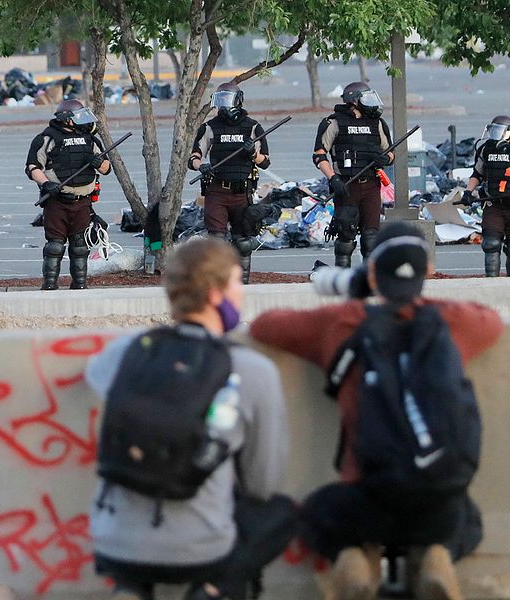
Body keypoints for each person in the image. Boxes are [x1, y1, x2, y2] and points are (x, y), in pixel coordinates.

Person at [250, 222, 504, 600]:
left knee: (319, 511)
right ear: (429, 271)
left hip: (367, 498)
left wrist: (355, 294)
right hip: (436, 500)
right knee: (467, 518)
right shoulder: (451, 323)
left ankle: (353, 559)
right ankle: (438, 555)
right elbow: (492, 320)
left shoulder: (344, 323)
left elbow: (263, 325)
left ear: (372, 271)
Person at [86, 237, 294, 600]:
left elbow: (95, 375)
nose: (241, 292)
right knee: (279, 512)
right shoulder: (250, 369)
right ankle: (212, 589)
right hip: (200, 547)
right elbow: (263, 483)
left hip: (113, 541)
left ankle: (131, 588)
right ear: (216, 295)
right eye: (237, 282)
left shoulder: (126, 352)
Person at [188, 82, 271, 284]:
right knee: (216, 241)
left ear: (238, 100)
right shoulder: (209, 127)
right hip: (217, 191)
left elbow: (266, 162)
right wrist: (201, 167)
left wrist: (253, 153)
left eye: (227, 100)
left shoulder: (252, 127)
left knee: (242, 242)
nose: (223, 106)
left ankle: (242, 284)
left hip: (242, 193)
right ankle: (217, 284)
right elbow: (194, 157)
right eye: (220, 101)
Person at [25, 99, 111, 290]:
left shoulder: (90, 139)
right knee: (54, 246)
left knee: (80, 246)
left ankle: (80, 285)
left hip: (83, 203)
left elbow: (106, 168)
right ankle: (49, 286)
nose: (83, 120)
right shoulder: (46, 138)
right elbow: (32, 167)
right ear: (67, 119)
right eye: (78, 116)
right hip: (57, 202)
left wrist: (97, 162)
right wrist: (46, 184)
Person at [313, 81, 394, 267]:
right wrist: (333, 178)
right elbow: (319, 154)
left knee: (371, 238)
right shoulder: (333, 123)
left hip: (372, 186)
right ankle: (344, 280)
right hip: (346, 186)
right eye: (367, 98)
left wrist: (386, 160)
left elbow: (390, 152)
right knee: (345, 237)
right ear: (354, 101)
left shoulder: (378, 123)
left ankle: (369, 281)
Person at [458, 115, 510, 276]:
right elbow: (477, 174)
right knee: (491, 244)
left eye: (499, 130)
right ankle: (491, 285)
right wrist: (468, 192)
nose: (495, 133)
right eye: (493, 129)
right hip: (493, 204)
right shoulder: (485, 149)